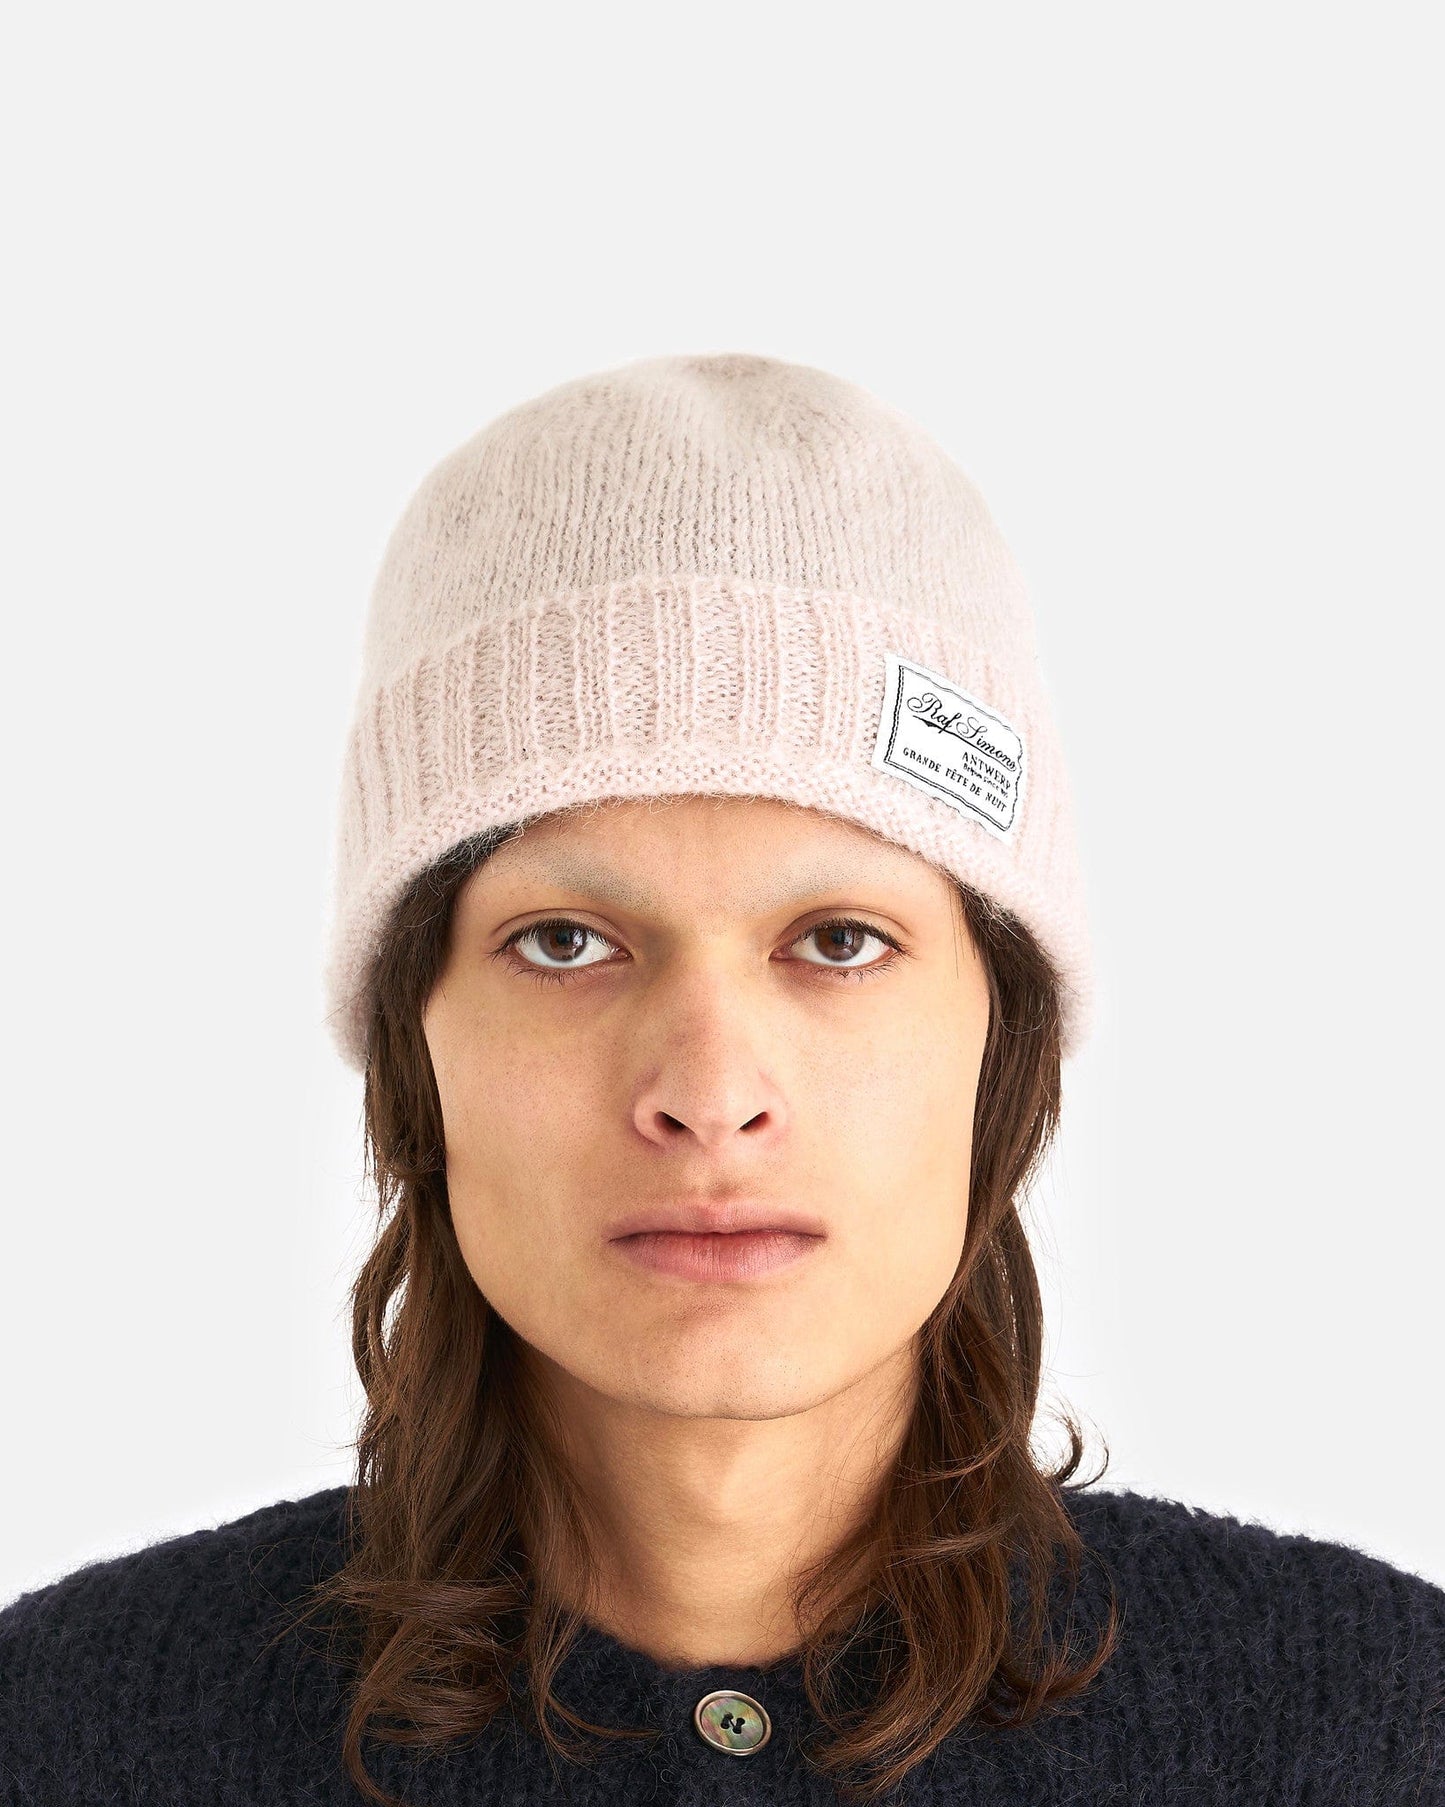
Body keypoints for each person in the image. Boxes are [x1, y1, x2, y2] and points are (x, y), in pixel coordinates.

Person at [2, 353, 1440, 1805]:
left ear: (999, 1042)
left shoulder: (1365, 1728)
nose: (709, 1092)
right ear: (412, 1043)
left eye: (839, 940)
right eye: (565, 942)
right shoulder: (77, 1737)